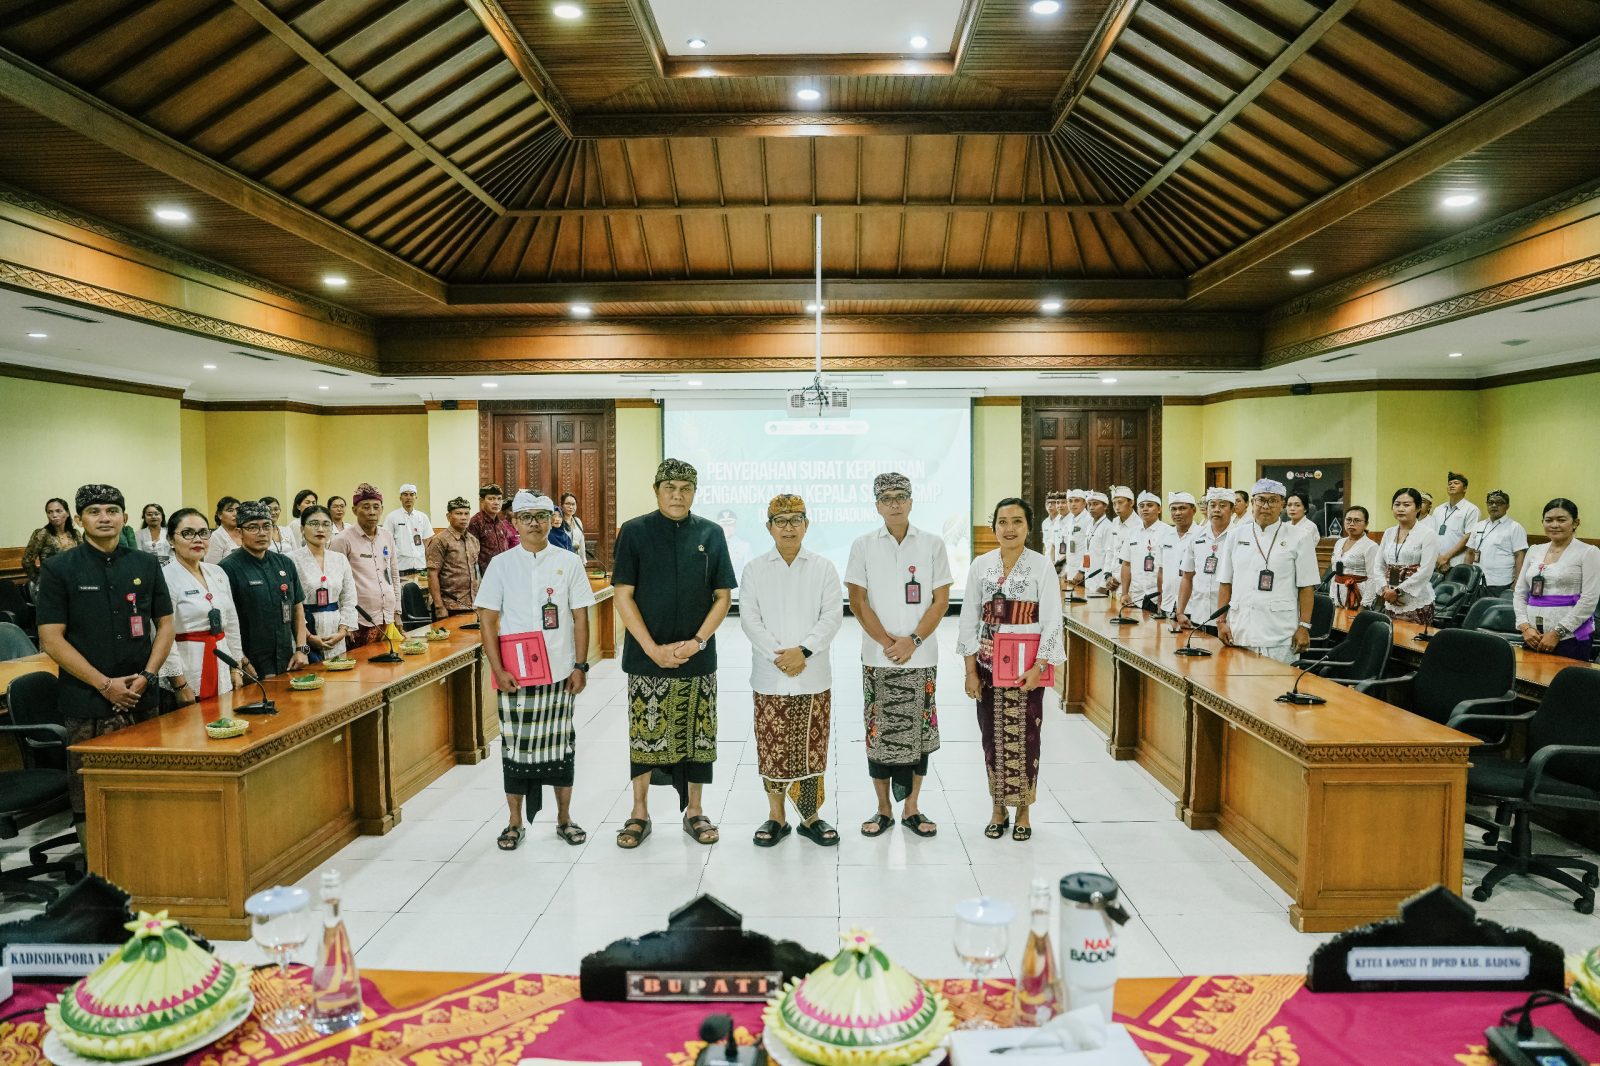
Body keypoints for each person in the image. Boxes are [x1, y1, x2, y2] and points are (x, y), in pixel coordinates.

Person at [612, 459, 736, 848]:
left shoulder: (711, 533)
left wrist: (697, 641)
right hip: (646, 657)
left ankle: (695, 811)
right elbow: (623, 594)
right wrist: (651, 649)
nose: (678, 495)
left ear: (694, 493)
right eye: (670, 488)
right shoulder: (633, 532)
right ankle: (639, 812)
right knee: (644, 737)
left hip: (696, 655)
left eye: (685, 488)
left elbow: (723, 596)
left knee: (699, 736)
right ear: (657, 491)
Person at [36, 485, 175, 815]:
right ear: (80, 520)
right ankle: (95, 863)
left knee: (148, 786)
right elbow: (51, 639)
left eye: (112, 511)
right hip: (87, 699)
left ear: (125, 518)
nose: (104, 517)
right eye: (94, 511)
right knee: (91, 794)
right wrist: (104, 684)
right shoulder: (59, 568)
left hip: (141, 693)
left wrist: (148, 674)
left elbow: (166, 625)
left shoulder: (145, 564)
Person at [477, 491, 596, 850]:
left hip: (559, 673)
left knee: (561, 748)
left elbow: (579, 616)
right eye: (526, 516)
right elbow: (487, 619)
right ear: (515, 521)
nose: (534, 523)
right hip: (516, 676)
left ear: (551, 519)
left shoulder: (568, 561)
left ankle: (564, 818)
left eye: (541, 516)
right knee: (515, 750)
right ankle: (514, 822)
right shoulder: (501, 564)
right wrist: (497, 670)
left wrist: (580, 665)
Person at [845, 472, 951, 840]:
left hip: (921, 658)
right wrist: (889, 642)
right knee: (878, 734)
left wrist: (913, 641)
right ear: (877, 505)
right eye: (886, 497)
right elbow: (857, 601)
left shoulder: (933, 544)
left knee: (919, 734)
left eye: (900, 496)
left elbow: (941, 600)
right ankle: (883, 809)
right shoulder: (862, 545)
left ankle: (912, 808)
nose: (894, 503)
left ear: (911, 501)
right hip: (877, 659)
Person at [738, 494, 843, 847]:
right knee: (772, 748)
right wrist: (779, 655)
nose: (788, 527)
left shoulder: (823, 567)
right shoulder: (754, 568)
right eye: (780, 521)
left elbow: (831, 616)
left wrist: (805, 651)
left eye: (796, 519)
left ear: (807, 525)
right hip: (770, 675)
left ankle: (811, 817)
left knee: (812, 746)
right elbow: (750, 619)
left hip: (813, 673)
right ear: (768, 527)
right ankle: (776, 817)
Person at [958, 497, 1063, 843]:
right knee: (991, 737)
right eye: (1002, 522)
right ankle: (997, 808)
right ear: (994, 528)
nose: (1009, 529)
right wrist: (970, 670)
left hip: (1027, 670)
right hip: (989, 667)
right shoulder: (981, 565)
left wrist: (1040, 666)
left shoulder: (1041, 566)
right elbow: (969, 620)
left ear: (1028, 527)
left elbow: (1052, 621)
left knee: (1026, 737)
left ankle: (1024, 810)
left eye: (1017, 521)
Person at [1215, 479, 1320, 663]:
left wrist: (1304, 627)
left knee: (1277, 689)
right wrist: (1221, 621)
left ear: (1282, 505)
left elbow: (1306, 587)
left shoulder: (1300, 537)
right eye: (1261, 500)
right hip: (1240, 630)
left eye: (1273, 500)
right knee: (1238, 689)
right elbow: (1226, 582)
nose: (1266, 506)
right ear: (1252, 503)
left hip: (1280, 633)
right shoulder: (1235, 536)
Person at [158, 507, 243, 705]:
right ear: (171, 539)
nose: (198, 539)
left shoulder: (217, 572)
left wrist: (235, 666)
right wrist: (179, 684)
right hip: (189, 668)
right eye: (188, 533)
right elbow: (163, 636)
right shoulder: (165, 577)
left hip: (221, 662)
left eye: (204, 533)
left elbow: (231, 623)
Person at [220, 501, 309, 678]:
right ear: (239, 532)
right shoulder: (227, 569)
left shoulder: (285, 563)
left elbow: (297, 607)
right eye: (253, 527)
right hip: (250, 663)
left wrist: (301, 649)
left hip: (286, 658)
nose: (262, 533)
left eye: (267, 526)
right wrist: (241, 660)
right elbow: (226, 623)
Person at [1515, 498, 1598, 661]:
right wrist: (1525, 627)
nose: (1554, 525)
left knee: (1566, 685)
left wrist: (1557, 633)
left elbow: (1589, 599)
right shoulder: (1534, 550)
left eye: (1561, 520)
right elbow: (1520, 593)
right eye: (1549, 520)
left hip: (1570, 638)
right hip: (1533, 637)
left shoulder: (1589, 552)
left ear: (1575, 523)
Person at [329, 483, 400, 646]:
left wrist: (397, 611)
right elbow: (336, 585)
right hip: (358, 620)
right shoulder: (342, 540)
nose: (372, 512)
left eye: (376, 507)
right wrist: (345, 622)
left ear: (382, 509)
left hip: (387, 616)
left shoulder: (387, 536)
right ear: (354, 510)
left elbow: (394, 575)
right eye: (366, 507)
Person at [290, 505, 357, 661]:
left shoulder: (339, 559)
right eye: (314, 524)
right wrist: (308, 636)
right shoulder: (291, 560)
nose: (320, 529)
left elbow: (349, 597)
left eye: (326, 524)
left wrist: (342, 631)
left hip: (335, 631)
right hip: (305, 630)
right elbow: (291, 604)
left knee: (338, 678)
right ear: (302, 528)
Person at [1377, 487, 1441, 624]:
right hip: (1389, 598)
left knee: (1411, 643)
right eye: (1397, 504)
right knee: (1390, 641)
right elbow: (1378, 565)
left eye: (1406, 505)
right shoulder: (1389, 532)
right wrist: (1385, 589)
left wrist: (1398, 592)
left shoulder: (1428, 534)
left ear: (1418, 508)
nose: (1401, 508)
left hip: (1416, 602)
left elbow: (1426, 571)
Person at [1175, 487, 1235, 628]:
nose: (1216, 510)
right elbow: (1187, 576)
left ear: (1232, 510)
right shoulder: (1196, 537)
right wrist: (1180, 612)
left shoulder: (1241, 537)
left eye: (1222, 505)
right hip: (1199, 615)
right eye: (1212, 505)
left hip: (1230, 619)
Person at [427, 497, 481, 619]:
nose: (463, 517)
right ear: (448, 516)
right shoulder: (440, 540)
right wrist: (439, 606)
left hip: (472, 605)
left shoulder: (473, 540)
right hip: (449, 606)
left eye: (466, 513)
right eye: (458, 513)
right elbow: (432, 574)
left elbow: (476, 572)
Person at [1468, 490, 1529, 596]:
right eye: (1490, 502)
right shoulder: (1479, 526)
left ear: (1507, 506)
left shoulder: (1515, 527)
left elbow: (1520, 556)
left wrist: (1518, 582)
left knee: (1493, 611)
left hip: (1500, 582)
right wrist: (1466, 576)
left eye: (1499, 503)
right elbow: (1470, 553)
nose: (1494, 505)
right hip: (1476, 581)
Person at [1119, 491, 1170, 613]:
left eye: (1150, 505)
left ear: (1159, 509)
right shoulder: (1132, 532)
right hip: (1136, 595)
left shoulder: (1168, 532)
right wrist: (1125, 593)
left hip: (1159, 595)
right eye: (1141, 506)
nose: (1145, 509)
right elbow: (1126, 564)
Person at [22, 497, 81, 595]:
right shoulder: (42, 533)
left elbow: (82, 558)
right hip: (51, 585)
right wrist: (39, 580)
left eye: (58, 511)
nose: (54, 515)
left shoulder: (75, 533)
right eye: (50, 512)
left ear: (67, 513)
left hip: (73, 583)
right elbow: (27, 561)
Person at [1329, 506, 1382, 610]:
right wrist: (1332, 597)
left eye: (1357, 520)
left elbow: (1373, 578)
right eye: (1348, 520)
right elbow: (1334, 572)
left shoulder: (1371, 546)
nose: (1351, 523)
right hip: (1338, 596)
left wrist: (1364, 605)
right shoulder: (1339, 542)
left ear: (1366, 524)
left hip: (1358, 597)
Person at [1158, 492, 1198, 617]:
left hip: (1193, 607)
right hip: (1168, 604)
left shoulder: (1202, 536)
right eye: (1173, 509)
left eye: (1182, 508)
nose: (1177, 513)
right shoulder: (1164, 536)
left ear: (1193, 510)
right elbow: (1161, 571)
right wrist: (1160, 600)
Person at [1071, 490, 1116, 597]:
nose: (1091, 507)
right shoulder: (1090, 525)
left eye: (1096, 504)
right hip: (1089, 577)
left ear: (1105, 506)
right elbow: (1087, 552)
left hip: (1100, 580)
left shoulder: (1108, 527)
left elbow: (1109, 556)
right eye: (1089, 504)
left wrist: (1103, 585)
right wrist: (1081, 571)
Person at [383, 483, 432, 581]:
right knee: (403, 594)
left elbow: (428, 542)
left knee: (421, 594)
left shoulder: (423, 517)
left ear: (416, 497)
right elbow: (386, 542)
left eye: (411, 494)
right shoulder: (392, 517)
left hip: (421, 566)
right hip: (401, 567)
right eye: (405, 494)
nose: (408, 497)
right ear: (400, 498)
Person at [1433, 473, 1480, 573]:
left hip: (1456, 563)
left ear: (1465, 488)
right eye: (1449, 483)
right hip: (1436, 562)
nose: (1451, 485)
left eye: (1456, 483)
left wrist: (1446, 557)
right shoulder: (1438, 509)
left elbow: (1468, 536)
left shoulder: (1471, 509)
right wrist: (1437, 557)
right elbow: (1432, 535)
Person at [468, 483, 518, 573]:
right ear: (482, 501)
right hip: (485, 575)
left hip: (503, 573)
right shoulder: (475, 522)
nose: (496, 502)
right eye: (491, 499)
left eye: (499, 499)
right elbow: (471, 555)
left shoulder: (501, 524)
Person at [717, 509, 755, 584]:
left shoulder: (744, 546)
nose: (727, 528)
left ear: (735, 526)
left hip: (738, 589)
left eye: (730, 525)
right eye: (724, 525)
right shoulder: (712, 545)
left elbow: (750, 572)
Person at [204, 496, 241, 564]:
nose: (235, 514)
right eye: (230, 510)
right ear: (219, 515)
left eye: (238, 510)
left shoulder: (245, 532)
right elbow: (212, 568)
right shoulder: (216, 537)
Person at [560, 492, 586, 561]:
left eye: (573, 504)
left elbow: (581, 543)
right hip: (562, 559)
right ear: (561, 505)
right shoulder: (558, 522)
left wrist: (583, 561)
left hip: (576, 560)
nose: (571, 507)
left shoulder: (578, 521)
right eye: (567, 504)